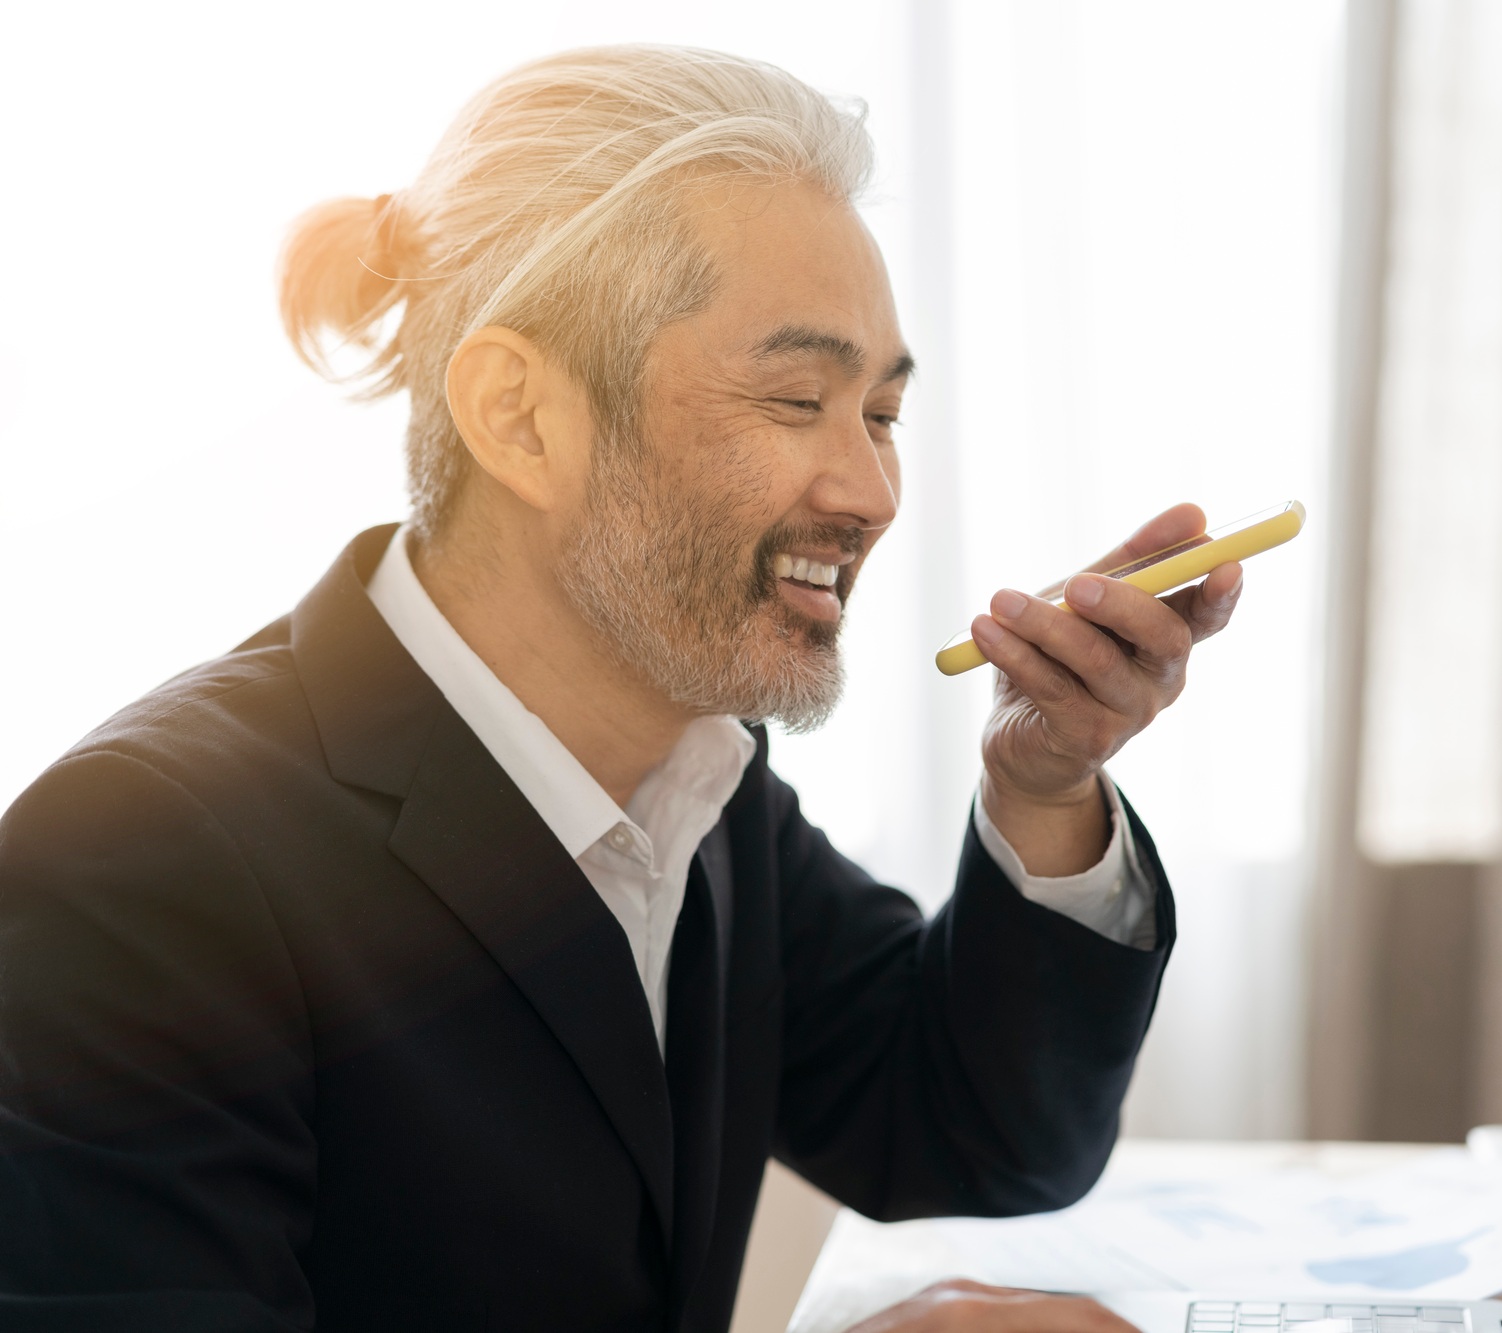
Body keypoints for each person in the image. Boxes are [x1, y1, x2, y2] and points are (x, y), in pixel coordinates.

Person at [0, 46, 1244, 1333]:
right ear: (521, 416)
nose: (871, 492)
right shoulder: (142, 859)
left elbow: (976, 1135)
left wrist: (1042, 788)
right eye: (794, 397)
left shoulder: (701, 779)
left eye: (877, 414)